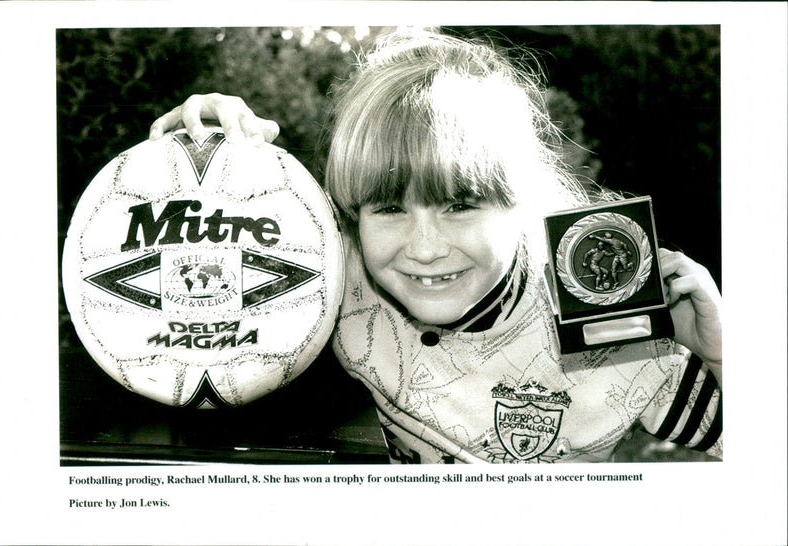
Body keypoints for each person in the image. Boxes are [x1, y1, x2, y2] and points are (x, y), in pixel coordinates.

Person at [149, 29, 722, 463]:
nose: (424, 249)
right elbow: (188, 274)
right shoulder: (331, 276)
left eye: (461, 204)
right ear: (353, 216)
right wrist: (205, 163)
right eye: (390, 208)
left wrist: (725, 358)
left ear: (522, 205)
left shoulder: (612, 323)